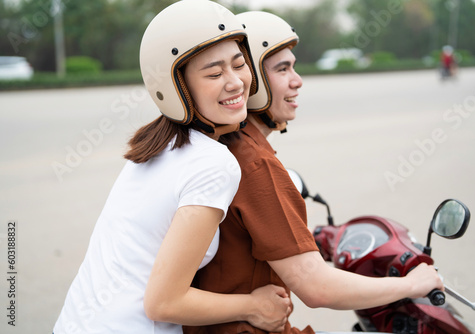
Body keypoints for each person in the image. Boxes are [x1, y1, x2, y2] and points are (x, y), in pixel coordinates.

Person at [184, 11, 444, 334]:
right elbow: (316, 287)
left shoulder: (227, 146)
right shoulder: (253, 161)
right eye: (283, 69)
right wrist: (410, 284)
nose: (298, 80)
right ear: (254, 81)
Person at [52, 2, 291, 333]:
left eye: (239, 64)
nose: (236, 82)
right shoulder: (215, 161)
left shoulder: (157, 146)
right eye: (214, 73)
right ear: (178, 86)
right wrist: (254, 306)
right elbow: (164, 302)